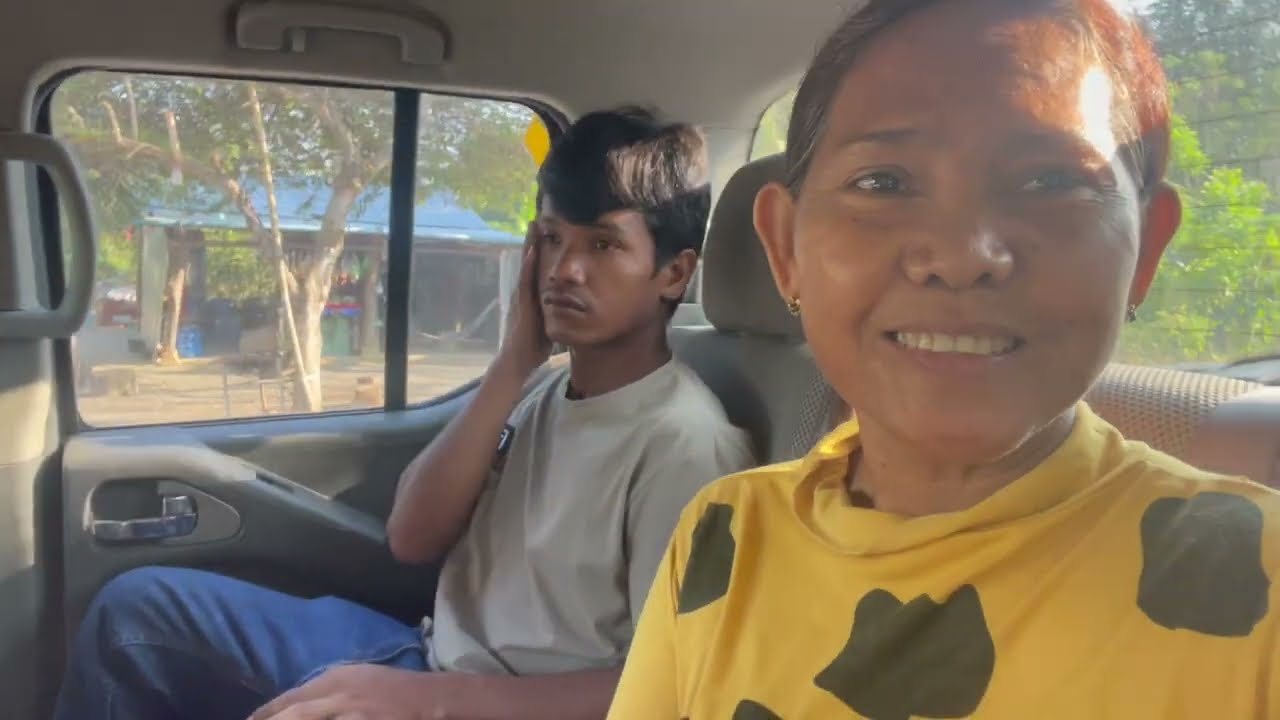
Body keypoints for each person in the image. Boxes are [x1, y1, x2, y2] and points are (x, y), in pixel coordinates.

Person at [608, 1, 1280, 718]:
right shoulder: (724, 532)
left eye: (1050, 181)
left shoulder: (1258, 584)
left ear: (1145, 249)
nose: (962, 257)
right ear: (785, 248)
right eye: (883, 183)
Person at [53, 107, 756, 720]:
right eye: (550, 238)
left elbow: (671, 689)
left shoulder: (684, 446)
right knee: (136, 613)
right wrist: (513, 363)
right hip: (426, 653)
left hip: (487, 700)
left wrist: (422, 701)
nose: (563, 269)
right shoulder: (544, 392)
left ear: (673, 273)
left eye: (602, 244)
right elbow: (412, 539)